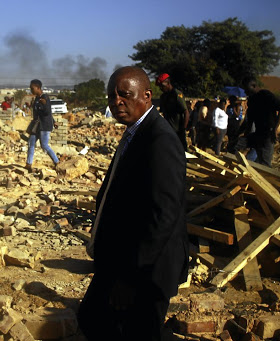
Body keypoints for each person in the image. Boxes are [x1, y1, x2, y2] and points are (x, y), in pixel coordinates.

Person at [78, 66, 188, 341]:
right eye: (112, 96)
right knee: (93, 319)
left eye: (124, 95)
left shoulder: (160, 140)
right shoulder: (135, 132)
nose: (116, 101)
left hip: (145, 270)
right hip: (123, 257)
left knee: (133, 331)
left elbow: (163, 216)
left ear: (147, 96)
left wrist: (131, 278)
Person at [239, 76, 280, 167]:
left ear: (253, 86)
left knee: (265, 163)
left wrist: (274, 129)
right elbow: (250, 119)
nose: (246, 92)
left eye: (247, 89)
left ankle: (263, 180)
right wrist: (245, 134)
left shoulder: (266, 95)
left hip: (268, 134)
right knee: (257, 161)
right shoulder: (252, 100)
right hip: (258, 133)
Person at [25, 79, 60, 173]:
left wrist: (44, 105)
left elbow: (47, 112)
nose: (31, 90)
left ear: (38, 88)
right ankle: (28, 164)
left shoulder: (45, 98)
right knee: (31, 143)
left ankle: (57, 162)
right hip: (36, 125)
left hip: (44, 125)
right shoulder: (37, 98)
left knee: (44, 145)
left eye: (32, 88)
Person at [156, 73, 190, 151]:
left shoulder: (176, 94)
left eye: (162, 86)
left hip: (178, 130)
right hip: (167, 130)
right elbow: (162, 113)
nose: (161, 88)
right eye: (160, 86)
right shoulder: (163, 97)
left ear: (168, 83)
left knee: (182, 150)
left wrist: (183, 129)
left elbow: (186, 112)